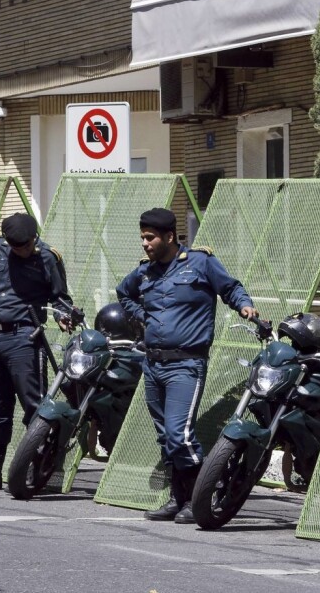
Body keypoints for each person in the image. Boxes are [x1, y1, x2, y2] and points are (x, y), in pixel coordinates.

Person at [117, 208, 257, 523]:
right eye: (142, 237)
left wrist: (245, 306)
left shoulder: (200, 263)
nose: (145, 244)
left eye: (150, 237)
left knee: (179, 433)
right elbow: (124, 293)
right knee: (167, 436)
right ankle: (177, 499)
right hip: (153, 365)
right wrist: (143, 317)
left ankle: (200, 498)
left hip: (186, 364)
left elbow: (230, 288)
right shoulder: (145, 272)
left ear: (169, 237)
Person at [0, 212, 73, 490]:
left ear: (34, 239)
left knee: (34, 407)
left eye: (25, 246)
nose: (21, 252)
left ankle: (34, 469)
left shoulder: (48, 257)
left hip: (25, 337)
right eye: (16, 248)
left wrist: (63, 315)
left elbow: (60, 296)